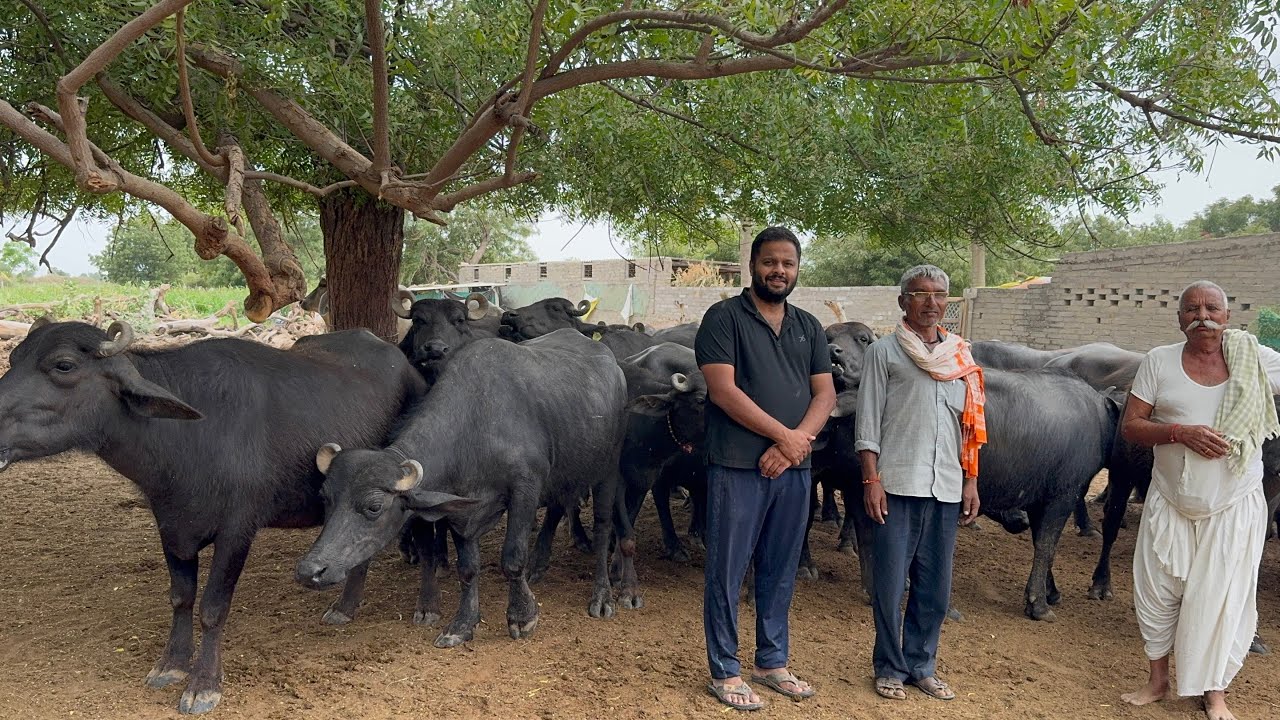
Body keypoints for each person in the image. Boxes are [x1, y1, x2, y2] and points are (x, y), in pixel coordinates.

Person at [1119, 280, 1280, 720]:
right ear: (1179, 319)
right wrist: (1178, 433)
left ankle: (1215, 693)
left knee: (1221, 600)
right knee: (1157, 593)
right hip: (1170, 499)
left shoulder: (1255, 359)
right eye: (1192, 309)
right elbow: (1131, 426)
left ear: (1228, 317)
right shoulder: (1159, 361)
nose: (1202, 316)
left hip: (1233, 504)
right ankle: (1157, 682)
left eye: (1212, 308)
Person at [694, 226, 836, 711]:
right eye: (770, 262)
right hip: (736, 466)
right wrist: (786, 437)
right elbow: (723, 391)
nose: (779, 271)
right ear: (753, 265)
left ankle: (772, 663)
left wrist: (795, 445)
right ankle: (726, 670)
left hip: (793, 469)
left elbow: (825, 394)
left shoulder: (808, 326)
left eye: (787, 263)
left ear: (797, 270)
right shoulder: (723, 318)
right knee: (727, 571)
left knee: (779, 568)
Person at [854, 264, 984, 702]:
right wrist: (871, 479)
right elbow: (868, 421)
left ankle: (922, 665)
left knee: (935, 588)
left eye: (939, 294)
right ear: (903, 301)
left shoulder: (960, 356)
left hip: (946, 485)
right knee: (890, 584)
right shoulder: (884, 352)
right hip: (897, 484)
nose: (931, 302)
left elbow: (969, 428)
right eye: (920, 293)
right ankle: (890, 667)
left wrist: (970, 480)